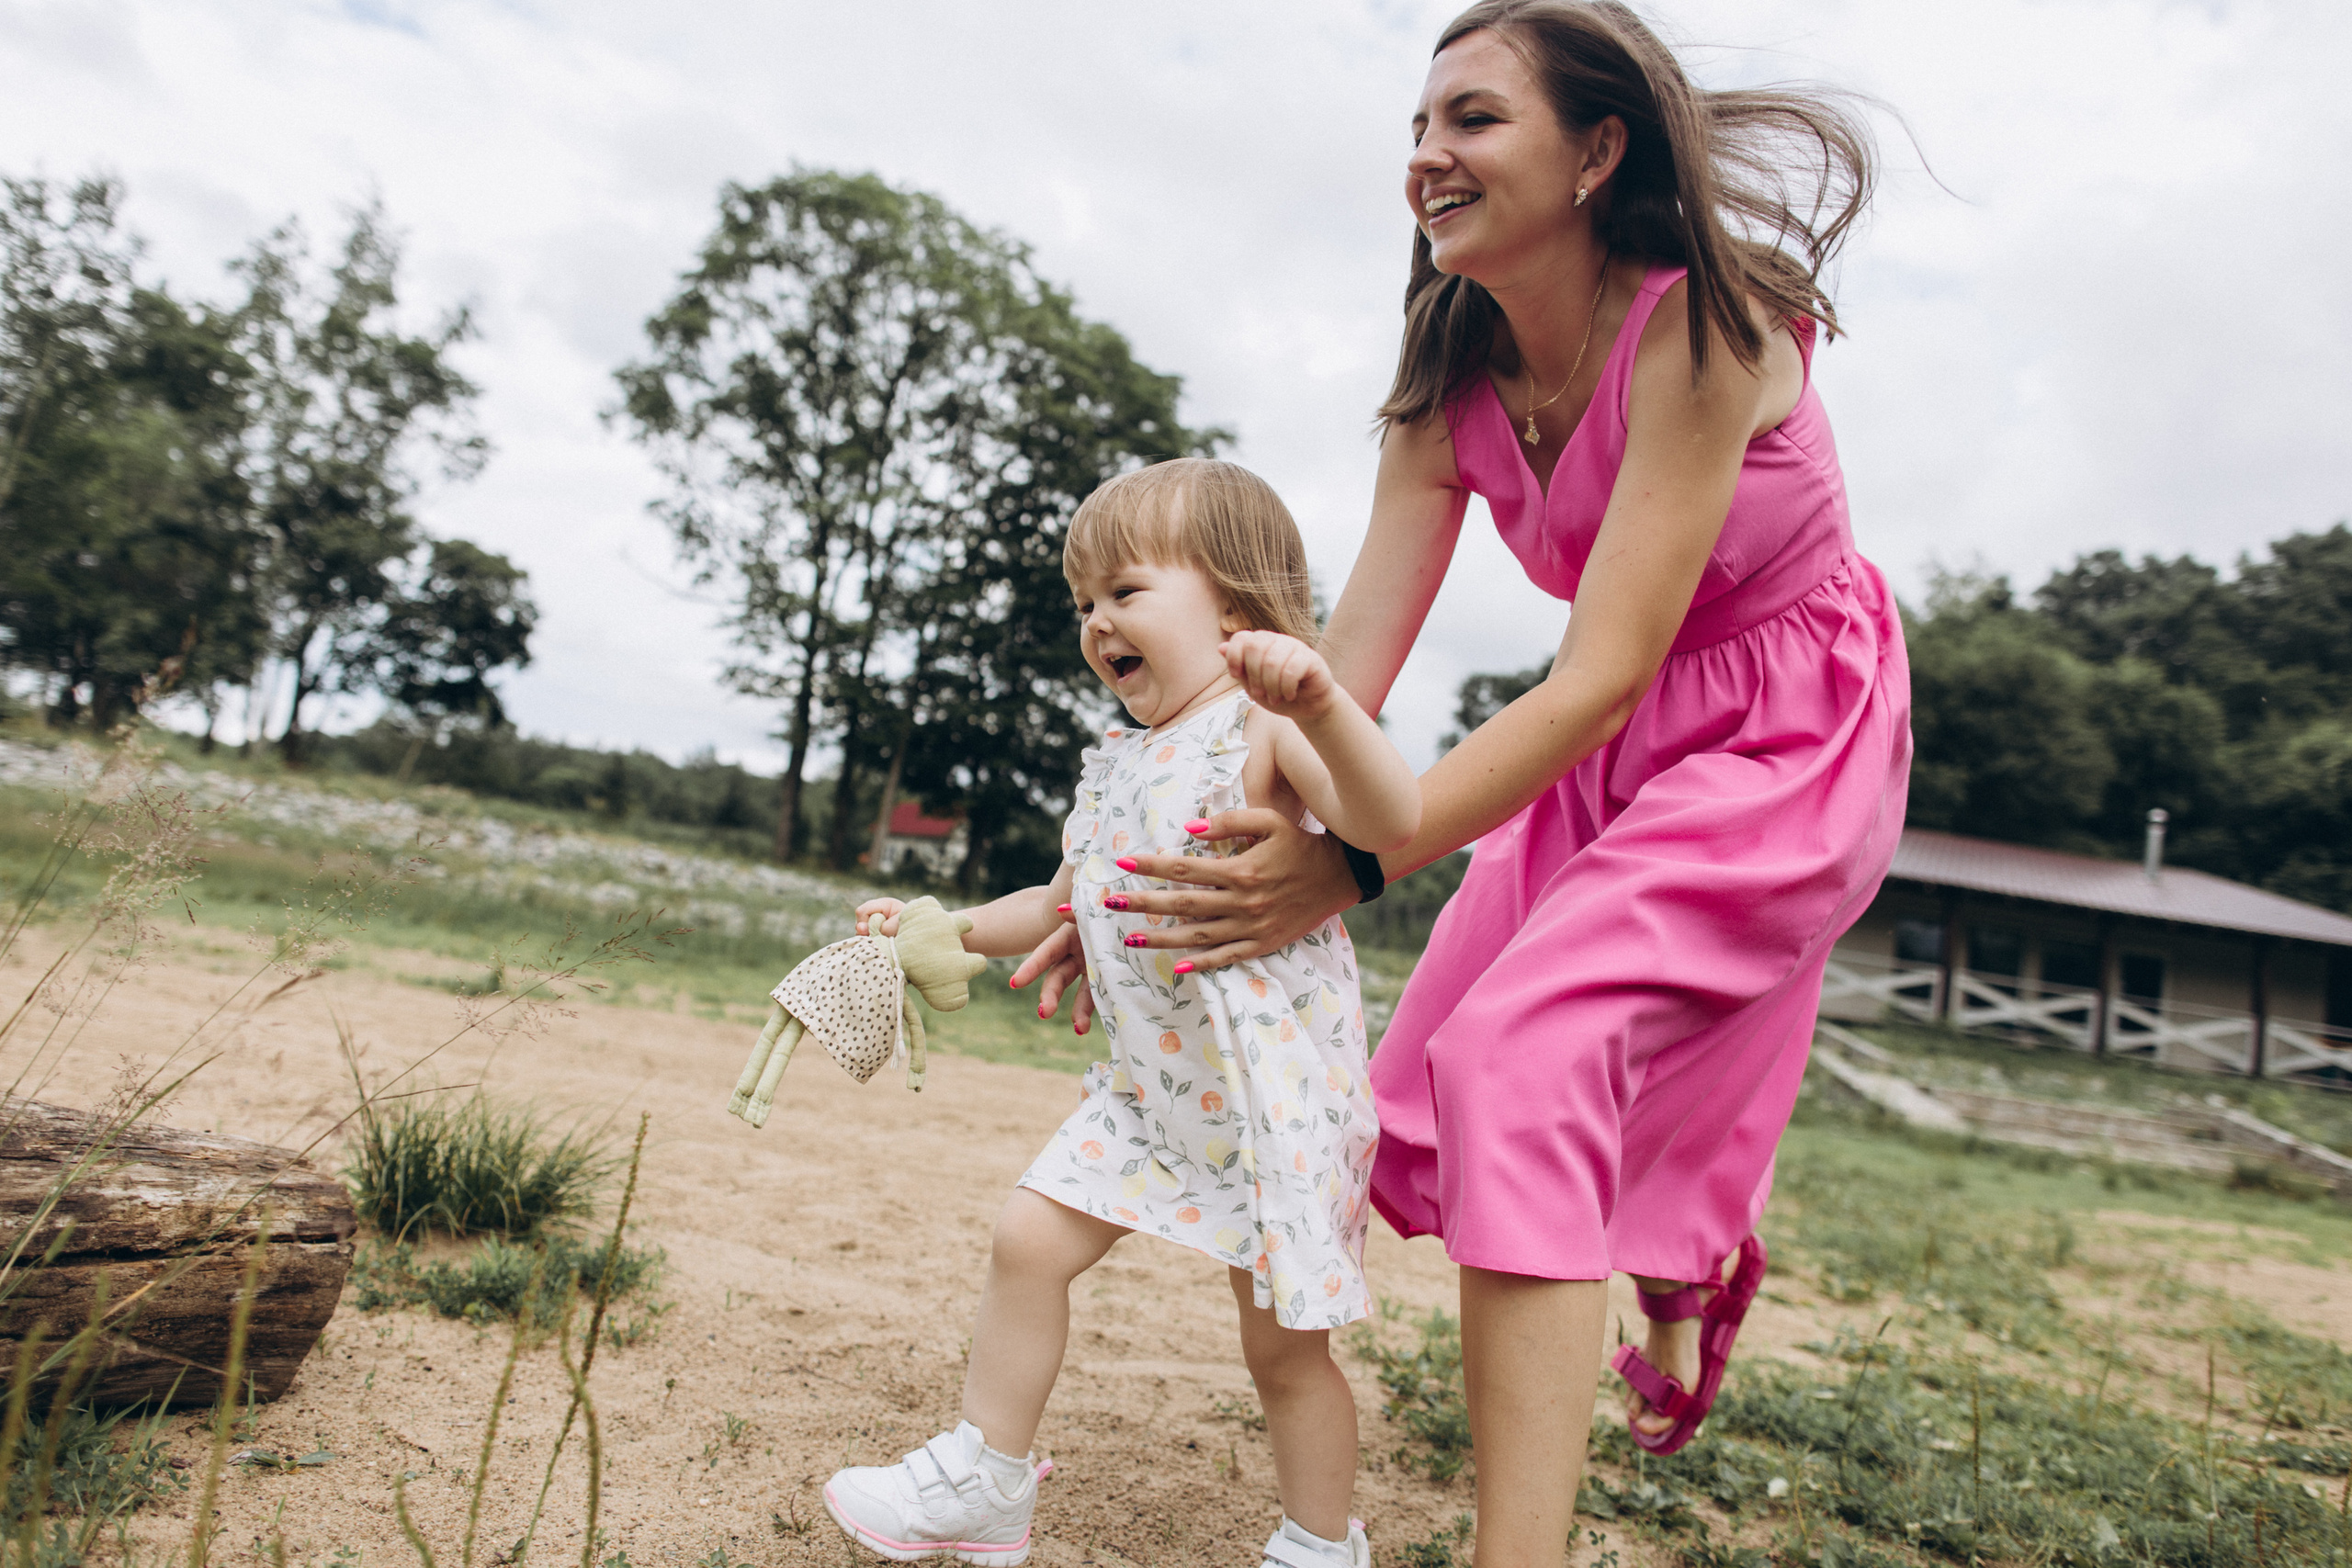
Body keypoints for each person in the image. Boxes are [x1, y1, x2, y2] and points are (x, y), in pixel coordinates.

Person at [1012, 5, 1911, 1562]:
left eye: (1475, 119)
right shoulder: (1452, 376)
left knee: (1524, 1055)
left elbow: (1605, 663)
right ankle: (1687, 1248)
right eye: (1420, 126)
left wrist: (1367, 858)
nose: (1429, 154)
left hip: (1779, 730)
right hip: (1599, 751)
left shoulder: (1710, 328)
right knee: (1427, 1087)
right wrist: (1155, 872)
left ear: (1597, 150)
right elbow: (1338, 657)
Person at [822, 458, 1420, 1568]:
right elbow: (1050, 903)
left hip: (1271, 1108)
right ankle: (988, 1479)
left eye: (1125, 593)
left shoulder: (1266, 728)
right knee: (1026, 1237)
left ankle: (1318, 1546)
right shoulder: (1115, 766)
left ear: (1235, 606)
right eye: (1083, 604)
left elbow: (1390, 819)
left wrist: (1325, 704)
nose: (1097, 623)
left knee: (1285, 1352)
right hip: (1150, 1097)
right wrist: (938, 928)